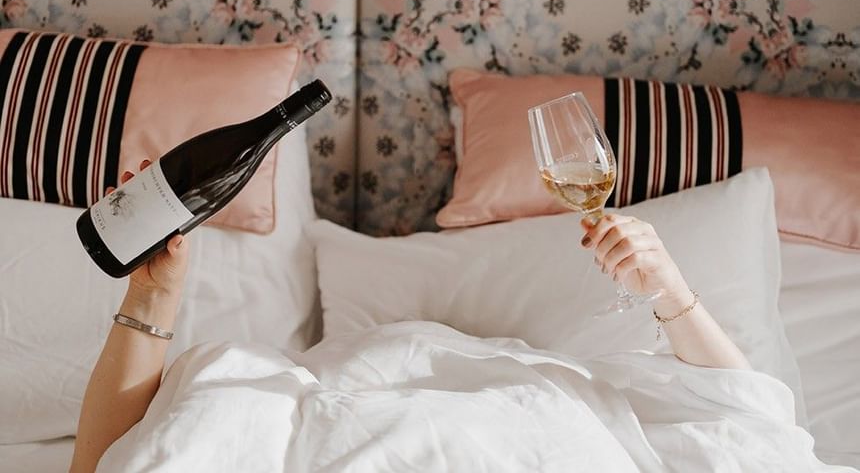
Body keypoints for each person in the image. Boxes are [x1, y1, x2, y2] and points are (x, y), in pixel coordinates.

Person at [69, 160, 750, 473]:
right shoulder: (269, 393)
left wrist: (668, 289)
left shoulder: (570, 402)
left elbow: (744, 422)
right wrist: (153, 293)